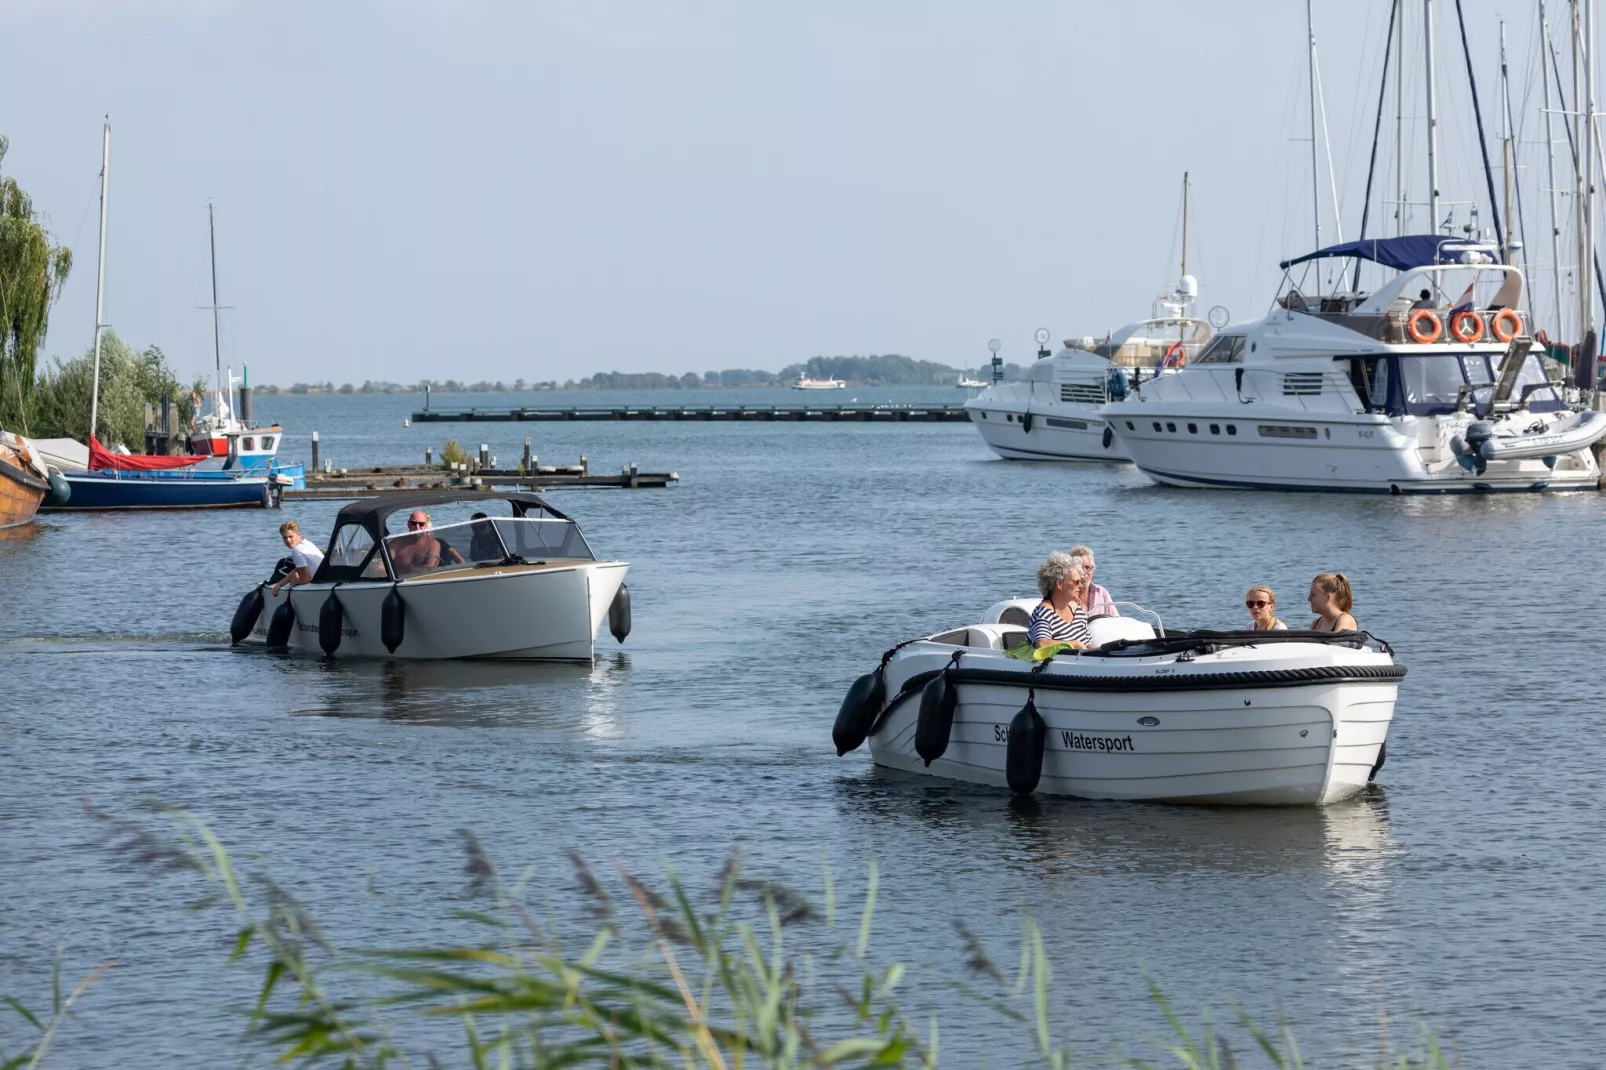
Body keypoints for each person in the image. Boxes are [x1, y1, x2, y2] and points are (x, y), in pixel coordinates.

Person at [1028, 552, 1094, 649]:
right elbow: (1041, 644)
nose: (1080, 585)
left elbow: (1088, 644)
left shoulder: (1077, 610)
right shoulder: (1044, 612)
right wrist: (1074, 644)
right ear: (1059, 584)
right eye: (1076, 582)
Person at [272, 520, 325, 595]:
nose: (288, 540)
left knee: (295, 577)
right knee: (295, 574)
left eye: (291, 537)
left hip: (320, 583)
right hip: (325, 578)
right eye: (285, 538)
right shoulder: (307, 543)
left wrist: (291, 584)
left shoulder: (297, 550)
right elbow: (297, 569)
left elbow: (306, 580)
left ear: (299, 534)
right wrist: (279, 585)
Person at [388, 510, 447, 575]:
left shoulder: (434, 544)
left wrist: (412, 570)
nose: (417, 527)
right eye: (414, 523)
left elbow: (430, 567)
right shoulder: (396, 543)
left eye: (421, 524)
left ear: (425, 525)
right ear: (408, 524)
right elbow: (382, 565)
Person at [1066, 544, 1117, 616]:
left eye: (1088, 568)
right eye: (1079, 568)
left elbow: (1116, 620)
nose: (1083, 573)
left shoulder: (1101, 593)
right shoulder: (1065, 597)